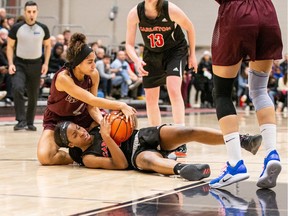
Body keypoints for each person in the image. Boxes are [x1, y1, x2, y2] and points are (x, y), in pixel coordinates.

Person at [53, 115, 263, 181]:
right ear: (71, 144)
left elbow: (122, 120)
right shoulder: (88, 157)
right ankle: (182, 169)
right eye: (75, 134)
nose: (81, 132)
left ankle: (242, 140)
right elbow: (121, 164)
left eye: (78, 128)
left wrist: (127, 117)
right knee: (149, 161)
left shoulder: (94, 126)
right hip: (135, 155)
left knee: (186, 131)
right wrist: (107, 137)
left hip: (142, 135)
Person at [209, 0, 282, 189]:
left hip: (236, 14)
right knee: (259, 89)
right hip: (268, 13)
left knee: (222, 93)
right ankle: (272, 153)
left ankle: (235, 164)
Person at [37, 32, 136, 165]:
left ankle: (129, 151)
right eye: (90, 62)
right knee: (45, 157)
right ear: (77, 64)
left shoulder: (93, 75)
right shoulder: (63, 78)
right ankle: (80, 157)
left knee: (123, 122)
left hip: (83, 116)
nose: (94, 66)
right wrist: (121, 105)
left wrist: (103, 124)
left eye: (94, 61)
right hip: (58, 119)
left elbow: (92, 107)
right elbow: (91, 99)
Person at [125, 0, 198, 157]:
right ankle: (156, 139)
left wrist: (192, 55)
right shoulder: (135, 13)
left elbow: (190, 27)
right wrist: (137, 60)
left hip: (175, 51)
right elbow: (129, 45)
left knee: (173, 89)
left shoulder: (170, 9)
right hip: (152, 54)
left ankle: (180, 137)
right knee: (151, 98)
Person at [7, 1, 51, 131]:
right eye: (29, 12)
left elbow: (48, 46)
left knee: (33, 94)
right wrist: (10, 63)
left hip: (36, 64)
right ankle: (21, 120)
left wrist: (46, 63)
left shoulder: (43, 28)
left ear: (37, 12)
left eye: (34, 12)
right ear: (25, 12)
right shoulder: (16, 28)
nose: (31, 14)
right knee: (17, 88)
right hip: (19, 63)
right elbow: (9, 46)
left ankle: (30, 122)